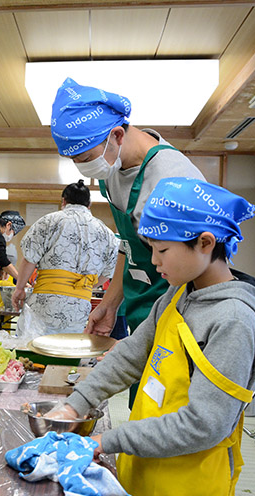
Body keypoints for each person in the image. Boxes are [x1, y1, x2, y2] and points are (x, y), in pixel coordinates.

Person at [47, 178, 255, 496]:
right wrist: (76, 404)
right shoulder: (177, 294)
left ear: (205, 242)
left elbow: (204, 424)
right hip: (145, 464)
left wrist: (108, 441)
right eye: (150, 249)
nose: (153, 262)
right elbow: (131, 356)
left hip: (187, 489)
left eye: (162, 251)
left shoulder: (233, 320)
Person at [50, 79, 206, 339]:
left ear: (117, 136)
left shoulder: (171, 180)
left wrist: (149, 341)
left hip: (177, 316)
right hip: (139, 309)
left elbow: (197, 269)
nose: (84, 168)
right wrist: (110, 304)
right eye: (75, 160)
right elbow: (128, 245)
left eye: (87, 158)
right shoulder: (112, 166)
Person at [11, 180, 118, 334]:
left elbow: (29, 258)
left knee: (32, 348)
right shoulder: (106, 232)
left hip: (45, 302)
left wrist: (20, 288)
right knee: (68, 350)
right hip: (80, 307)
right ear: (89, 204)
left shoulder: (49, 221)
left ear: (63, 201)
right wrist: (83, 286)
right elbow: (108, 273)